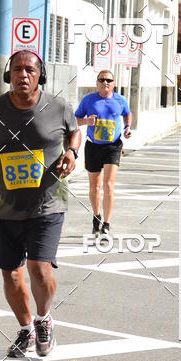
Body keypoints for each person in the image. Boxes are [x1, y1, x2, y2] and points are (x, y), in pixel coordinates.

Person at [0, 50, 80, 359]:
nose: (23, 75)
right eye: (17, 70)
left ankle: (43, 319)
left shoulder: (59, 106)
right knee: (11, 275)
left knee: (39, 268)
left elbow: (74, 132)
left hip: (48, 203)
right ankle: (26, 329)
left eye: (30, 70)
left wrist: (72, 153)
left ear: (40, 76)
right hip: (6, 206)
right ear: (8, 75)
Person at [74, 69, 132, 236]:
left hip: (113, 146)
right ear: (97, 83)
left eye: (108, 80)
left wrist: (127, 127)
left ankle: (106, 223)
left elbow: (127, 114)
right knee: (95, 187)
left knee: (108, 185)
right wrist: (86, 121)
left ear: (113, 83)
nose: (105, 82)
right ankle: (96, 216)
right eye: (101, 80)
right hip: (93, 146)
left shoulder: (120, 100)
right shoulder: (88, 100)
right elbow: (75, 119)